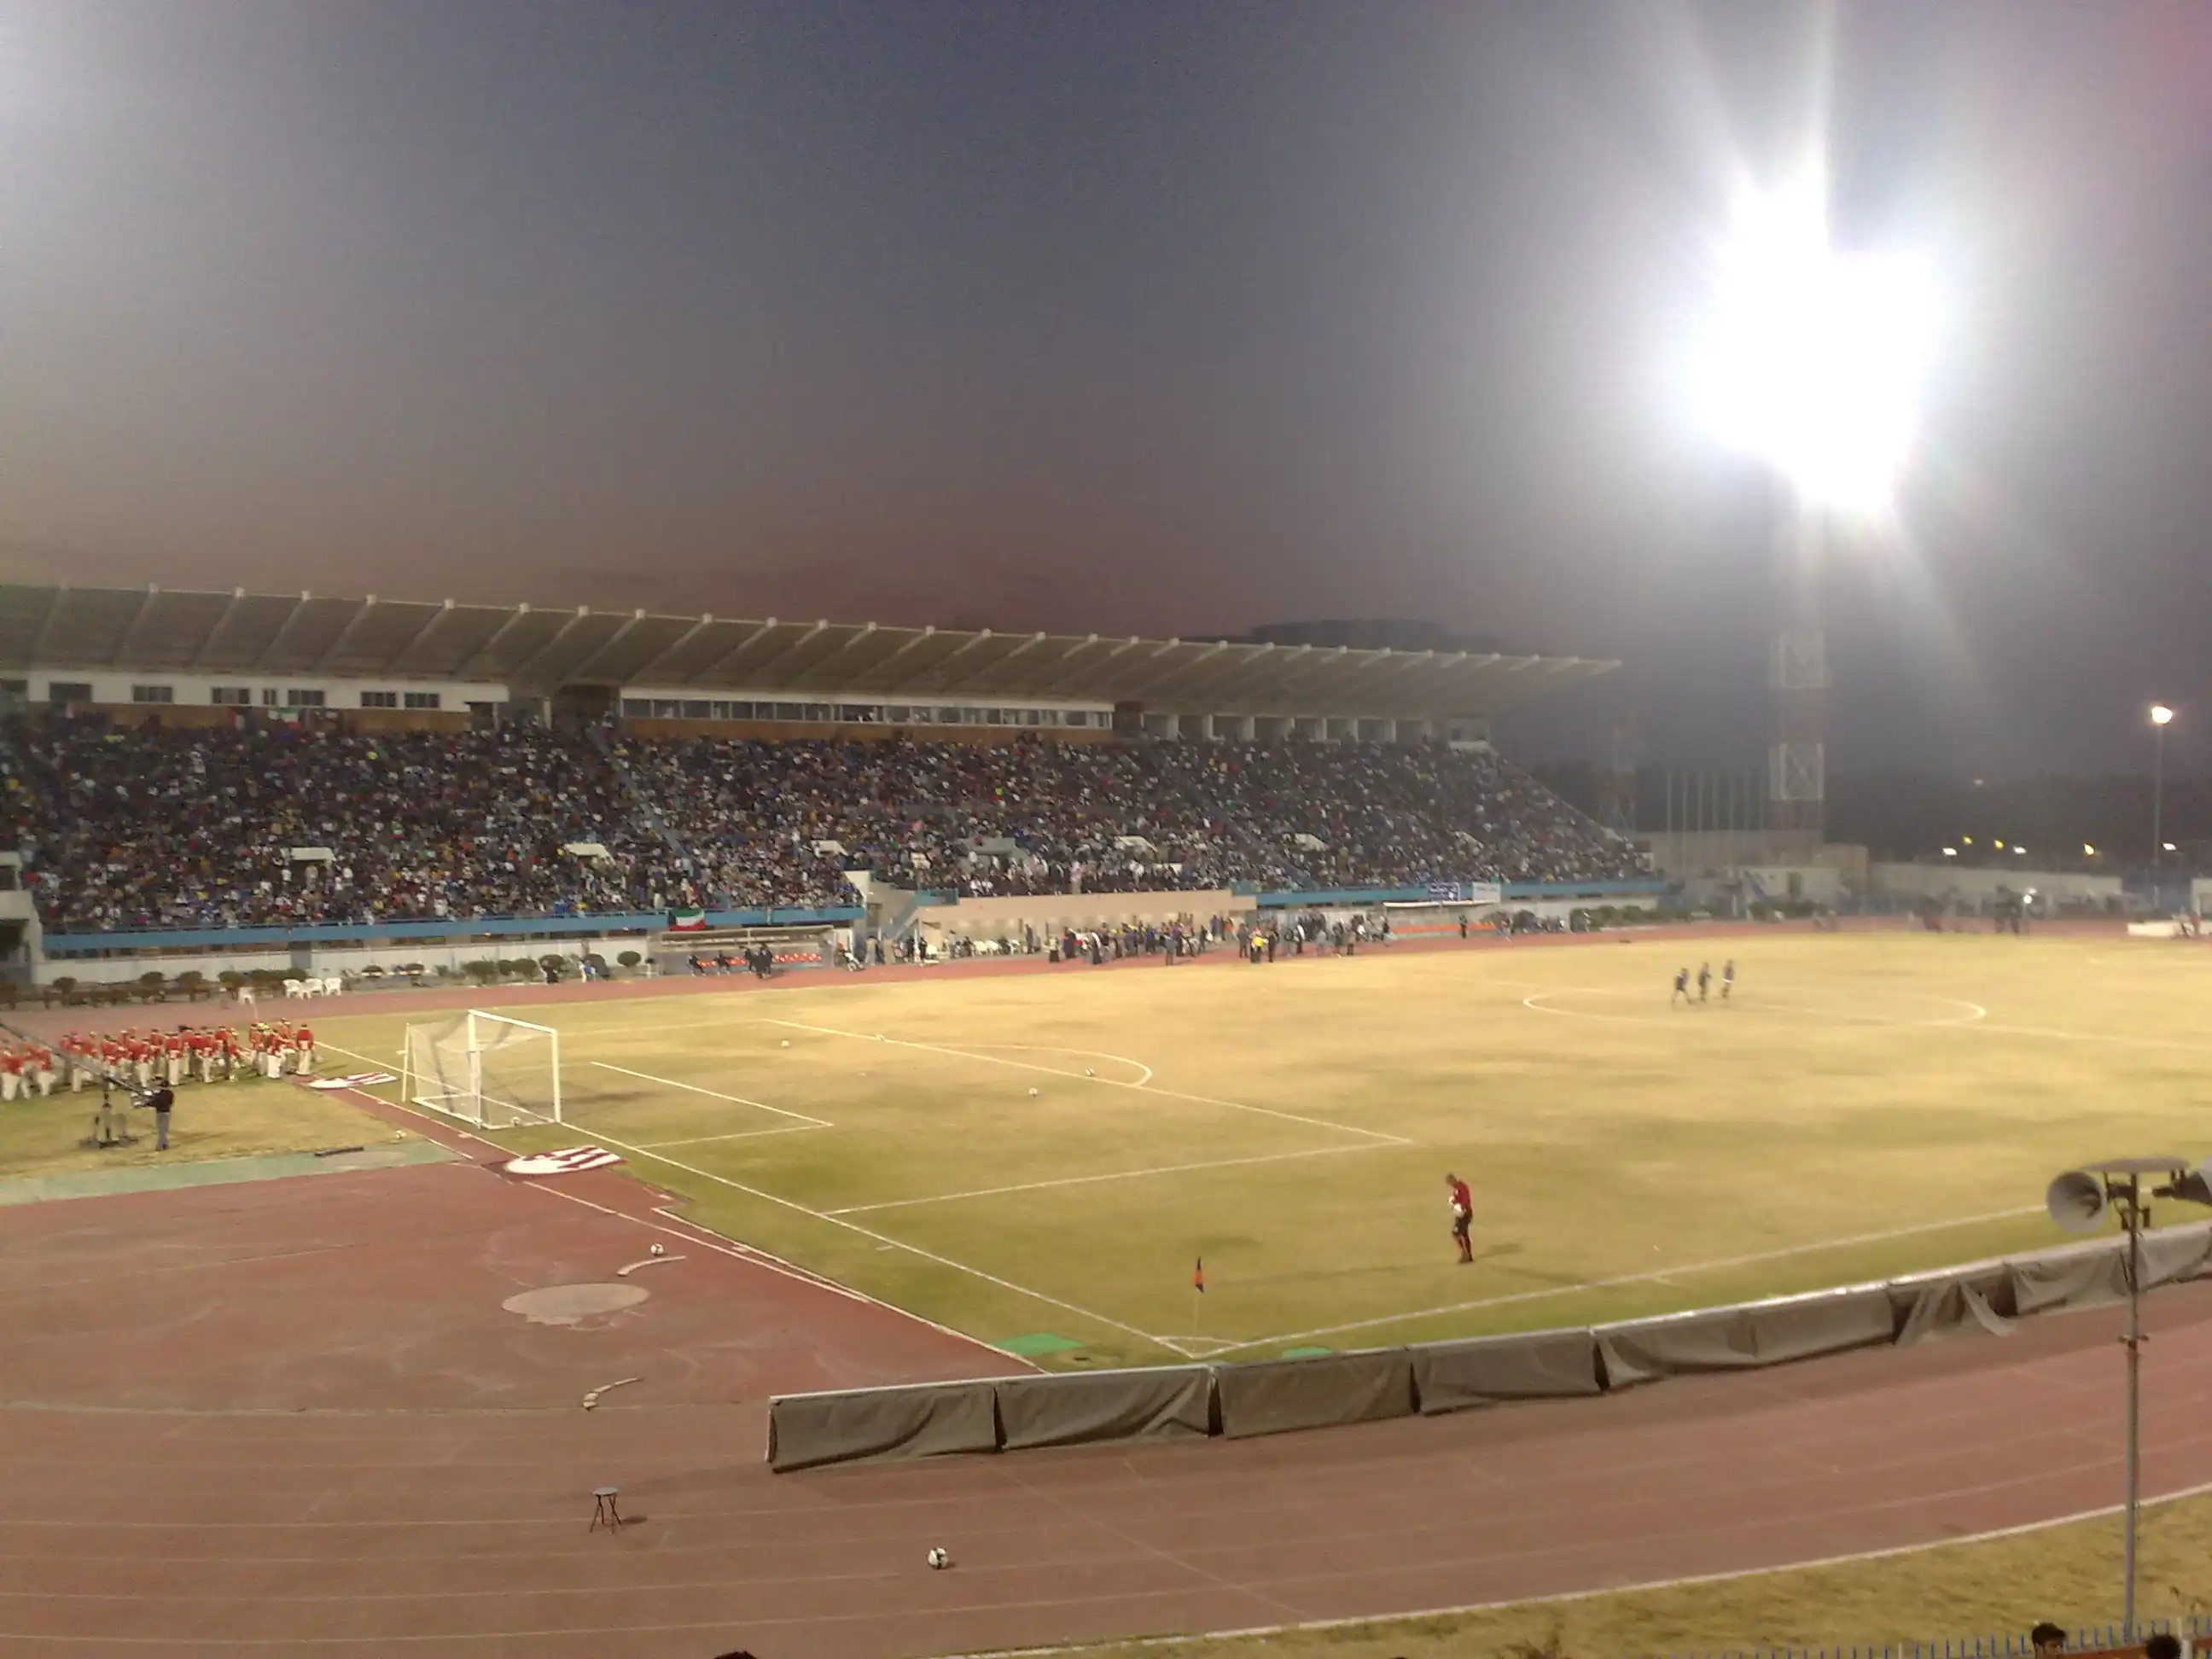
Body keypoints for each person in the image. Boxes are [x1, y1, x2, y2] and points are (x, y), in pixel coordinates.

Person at [1446, 1173, 1475, 1264]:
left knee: (1456, 1233)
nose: (1450, 1185)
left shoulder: (1462, 1187)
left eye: (1450, 1182)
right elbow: (1459, 1199)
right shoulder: (1457, 1188)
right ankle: (1468, 1255)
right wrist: (1453, 1201)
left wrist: (1461, 1207)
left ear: (1453, 1180)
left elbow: (1466, 1200)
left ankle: (1465, 1254)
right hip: (1462, 1215)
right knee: (1464, 1234)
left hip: (1465, 1214)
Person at [144, 1086, 175, 1152]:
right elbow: (171, 1103)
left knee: (161, 1131)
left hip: (160, 1114)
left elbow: (153, 1103)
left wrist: (146, 1103)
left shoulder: (158, 1095)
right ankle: (165, 1144)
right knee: (164, 1130)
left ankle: (160, 1146)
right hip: (167, 1113)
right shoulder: (170, 1093)